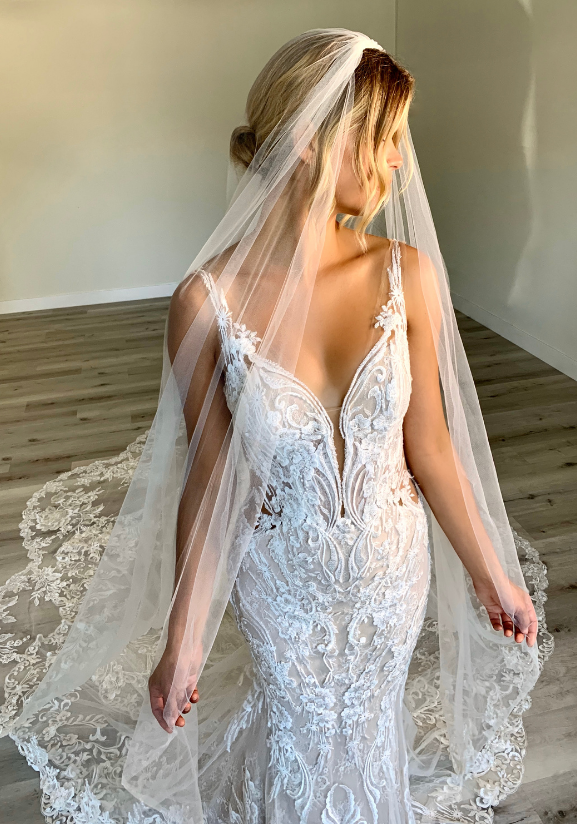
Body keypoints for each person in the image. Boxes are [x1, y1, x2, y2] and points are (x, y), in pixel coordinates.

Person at [1, 28, 553, 824]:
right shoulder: (206, 302)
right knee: (299, 729)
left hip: (388, 572)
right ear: (311, 142)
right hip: (280, 582)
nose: (399, 161)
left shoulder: (407, 274)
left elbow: (429, 445)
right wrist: (184, 642)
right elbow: (209, 478)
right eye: (385, 139)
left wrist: (488, 573)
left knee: (368, 728)